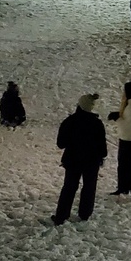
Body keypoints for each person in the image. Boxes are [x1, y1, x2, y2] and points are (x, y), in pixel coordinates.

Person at [52, 94, 108, 225]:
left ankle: (62, 215)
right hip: (92, 162)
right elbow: (103, 150)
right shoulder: (97, 124)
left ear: (79, 105)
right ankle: (84, 214)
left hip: (72, 160)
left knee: (69, 187)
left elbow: (61, 143)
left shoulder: (70, 121)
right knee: (89, 187)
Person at [107, 79, 131, 202]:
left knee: (127, 165)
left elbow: (127, 125)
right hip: (128, 138)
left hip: (129, 139)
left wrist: (117, 118)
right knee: (123, 164)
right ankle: (123, 187)